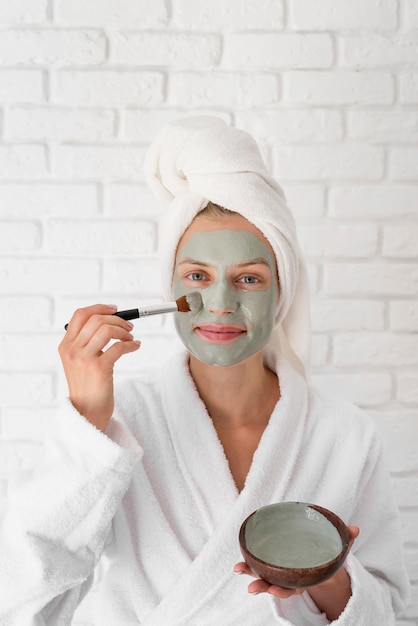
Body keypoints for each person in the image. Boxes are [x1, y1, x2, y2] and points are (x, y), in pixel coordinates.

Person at [0, 116, 410, 625]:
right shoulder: (121, 421)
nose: (220, 303)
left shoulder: (344, 435)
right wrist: (86, 421)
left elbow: (389, 613)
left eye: (249, 278)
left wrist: (328, 576)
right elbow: (23, 594)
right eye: (197, 275)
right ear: (170, 285)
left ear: (282, 292)